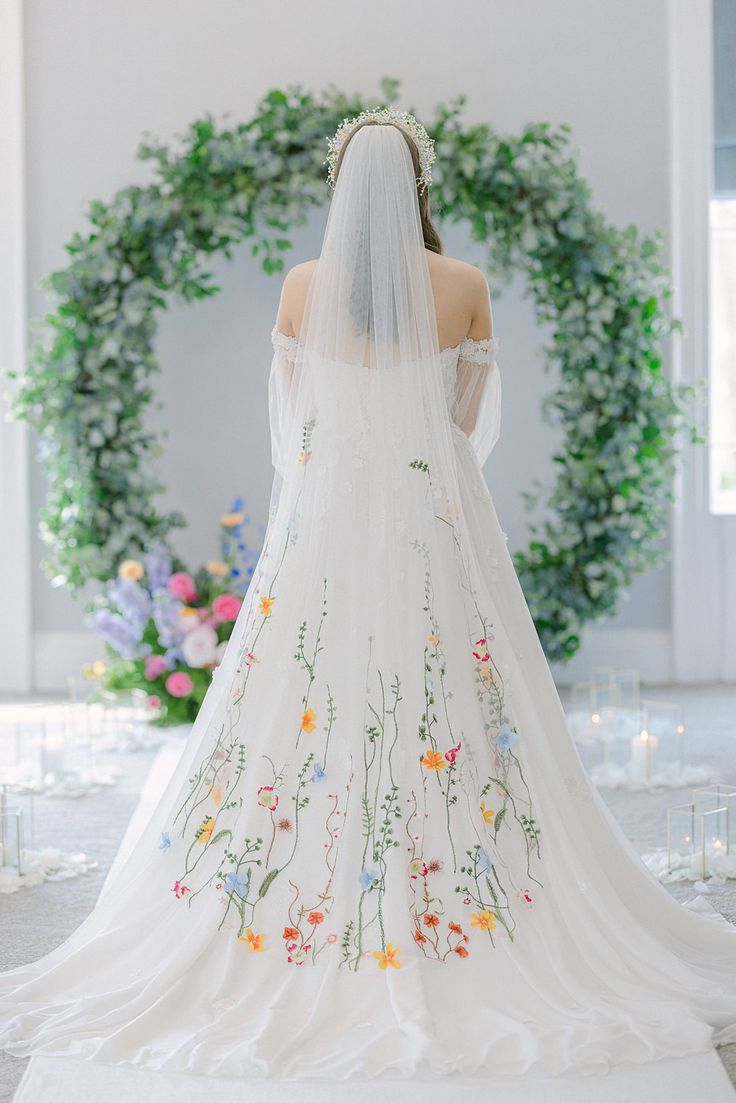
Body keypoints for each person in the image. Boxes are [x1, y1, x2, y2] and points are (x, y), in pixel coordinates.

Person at [1, 108, 735, 1084]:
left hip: (329, 517)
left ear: (342, 186)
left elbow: (295, 425)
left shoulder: (304, 287)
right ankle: (475, 895)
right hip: (436, 514)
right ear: (421, 186)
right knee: (459, 694)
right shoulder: (465, 284)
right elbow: (466, 423)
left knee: (311, 688)